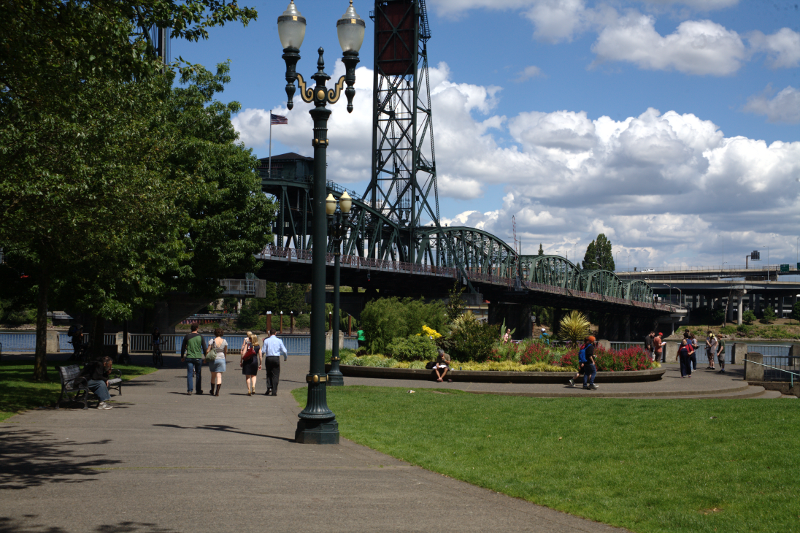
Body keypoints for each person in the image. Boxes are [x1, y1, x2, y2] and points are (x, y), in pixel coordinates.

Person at [181, 324, 207, 395]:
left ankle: (190, 390)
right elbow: (204, 348)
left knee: (189, 374)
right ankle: (198, 390)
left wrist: (182, 356)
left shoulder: (187, 336)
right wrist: (205, 357)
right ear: (197, 328)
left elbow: (183, 347)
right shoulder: (200, 337)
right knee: (198, 374)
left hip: (189, 357)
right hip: (198, 357)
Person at [261, 329, 288, 395]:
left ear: (269, 333)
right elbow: (284, 351)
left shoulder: (266, 340)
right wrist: (285, 357)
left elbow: (263, 350)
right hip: (276, 358)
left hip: (268, 358)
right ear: (275, 333)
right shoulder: (279, 341)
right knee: (275, 375)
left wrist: (260, 358)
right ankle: (274, 391)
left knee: (268, 373)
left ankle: (269, 387)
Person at [206, 328, 228, 397]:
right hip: (221, 358)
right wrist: (224, 357)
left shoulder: (212, 341)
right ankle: (217, 392)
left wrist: (206, 358)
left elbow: (207, 350)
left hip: (213, 359)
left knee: (213, 376)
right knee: (219, 376)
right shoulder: (224, 341)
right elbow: (225, 351)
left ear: (215, 333)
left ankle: (212, 390)